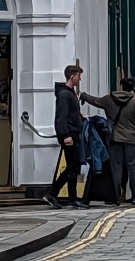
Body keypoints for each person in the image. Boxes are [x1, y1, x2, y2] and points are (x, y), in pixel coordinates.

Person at [81, 77, 135, 205]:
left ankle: (115, 196)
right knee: (133, 167)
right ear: (132, 88)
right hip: (131, 138)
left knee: (116, 168)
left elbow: (94, 100)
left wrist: (83, 95)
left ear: (120, 86)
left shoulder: (108, 100)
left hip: (114, 138)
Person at [43, 65, 87, 209]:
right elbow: (61, 117)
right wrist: (66, 135)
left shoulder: (70, 93)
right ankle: (53, 193)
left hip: (73, 132)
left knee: (73, 166)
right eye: (78, 76)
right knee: (72, 167)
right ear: (72, 76)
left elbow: (71, 113)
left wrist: (81, 118)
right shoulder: (64, 95)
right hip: (69, 134)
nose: (80, 79)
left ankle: (72, 198)